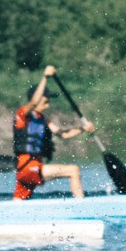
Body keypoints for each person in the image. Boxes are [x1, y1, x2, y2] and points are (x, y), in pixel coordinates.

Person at [13, 67, 88, 199]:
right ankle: (82, 206)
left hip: (27, 170)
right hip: (29, 167)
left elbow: (64, 134)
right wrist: (45, 77)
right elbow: (34, 102)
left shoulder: (43, 121)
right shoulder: (23, 115)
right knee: (73, 170)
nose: (47, 106)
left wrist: (84, 128)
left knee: (17, 205)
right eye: (45, 102)